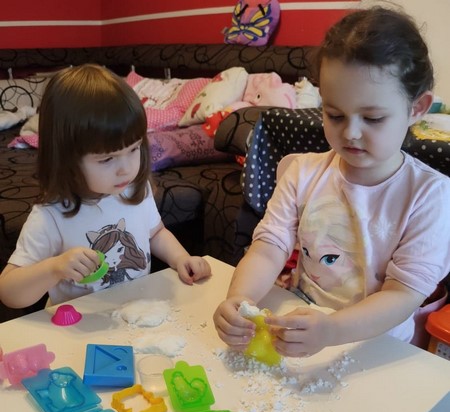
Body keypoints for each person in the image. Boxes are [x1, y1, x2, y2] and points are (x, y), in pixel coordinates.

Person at [214, 6, 450, 357]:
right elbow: (268, 247)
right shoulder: (302, 172)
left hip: (377, 346)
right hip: (303, 329)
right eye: (335, 114)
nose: (351, 132)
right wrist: (240, 299)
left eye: (373, 118)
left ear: (417, 108)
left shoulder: (430, 195)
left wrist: (332, 329)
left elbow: (402, 294)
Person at [0, 64, 211, 309]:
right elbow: (9, 292)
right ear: (66, 159)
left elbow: (155, 233)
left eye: (134, 149)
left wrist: (180, 257)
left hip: (135, 312)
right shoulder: (51, 215)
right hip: (78, 324)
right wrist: (54, 268)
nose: (126, 169)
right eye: (107, 159)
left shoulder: (135, 189)